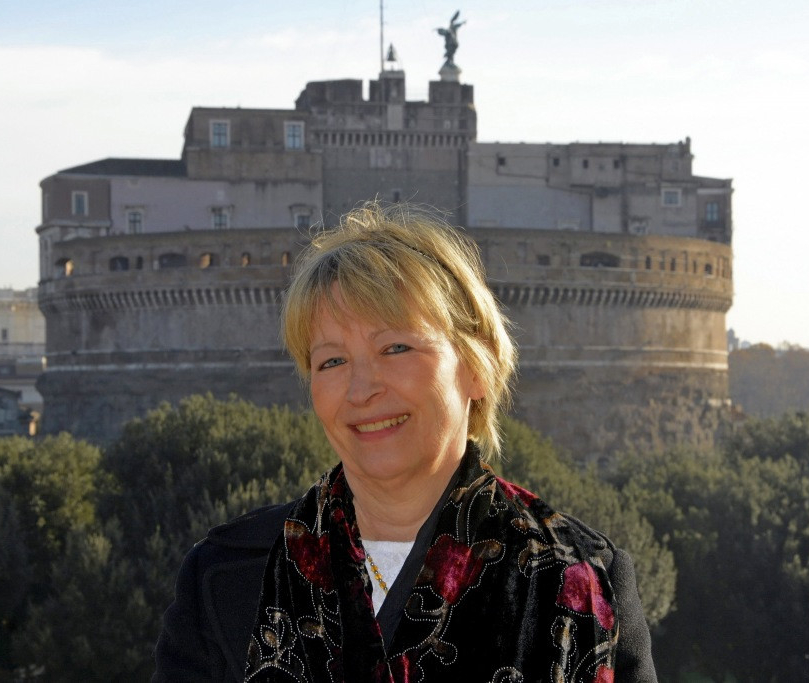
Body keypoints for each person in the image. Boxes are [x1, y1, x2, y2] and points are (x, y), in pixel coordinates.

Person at [153, 203, 657, 682]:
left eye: (396, 347)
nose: (361, 389)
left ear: (476, 367)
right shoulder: (225, 573)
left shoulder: (586, 578)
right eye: (331, 361)